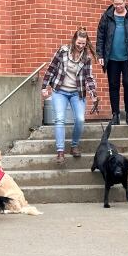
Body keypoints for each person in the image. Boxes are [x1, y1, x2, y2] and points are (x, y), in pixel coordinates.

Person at [41, 27, 99, 164]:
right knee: (60, 119)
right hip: (59, 91)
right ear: (74, 40)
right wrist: (44, 86)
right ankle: (60, 152)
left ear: (86, 43)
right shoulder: (63, 51)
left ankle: (74, 145)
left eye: (83, 44)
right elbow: (51, 68)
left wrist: (93, 94)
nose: (80, 46)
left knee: (80, 119)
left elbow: (89, 78)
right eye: (78, 43)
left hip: (77, 93)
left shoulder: (86, 58)